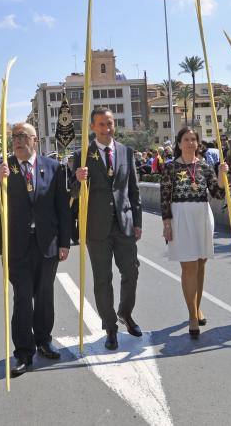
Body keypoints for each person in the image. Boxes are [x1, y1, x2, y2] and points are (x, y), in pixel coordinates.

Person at [0, 123, 71, 376]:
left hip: (46, 243)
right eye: (14, 137)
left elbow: (62, 207)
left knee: (44, 296)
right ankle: (23, 352)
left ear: (34, 140)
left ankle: (44, 340)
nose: (17, 141)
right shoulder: (3, 169)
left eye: (22, 136)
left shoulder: (53, 168)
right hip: (18, 245)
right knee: (22, 299)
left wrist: (64, 242)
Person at [73, 106, 142, 351]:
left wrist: (138, 222)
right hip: (96, 228)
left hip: (124, 225)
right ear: (92, 127)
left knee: (131, 272)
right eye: (101, 124)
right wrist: (77, 179)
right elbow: (71, 194)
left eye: (110, 123)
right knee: (103, 279)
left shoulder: (126, 152)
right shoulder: (81, 156)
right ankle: (110, 327)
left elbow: (133, 190)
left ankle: (125, 312)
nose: (107, 128)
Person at [160, 127, 228, 337]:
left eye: (193, 140)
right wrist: (167, 224)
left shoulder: (205, 166)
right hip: (180, 216)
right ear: (179, 144)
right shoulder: (170, 168)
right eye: (186, 139)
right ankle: (191, 315)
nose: (190, 143)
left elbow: (218, 194)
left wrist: (222, 174)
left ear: (198, 144)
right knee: (188, 267)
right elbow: (165, 197)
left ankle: (197, 306)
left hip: (202, 215)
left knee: (200, 265)